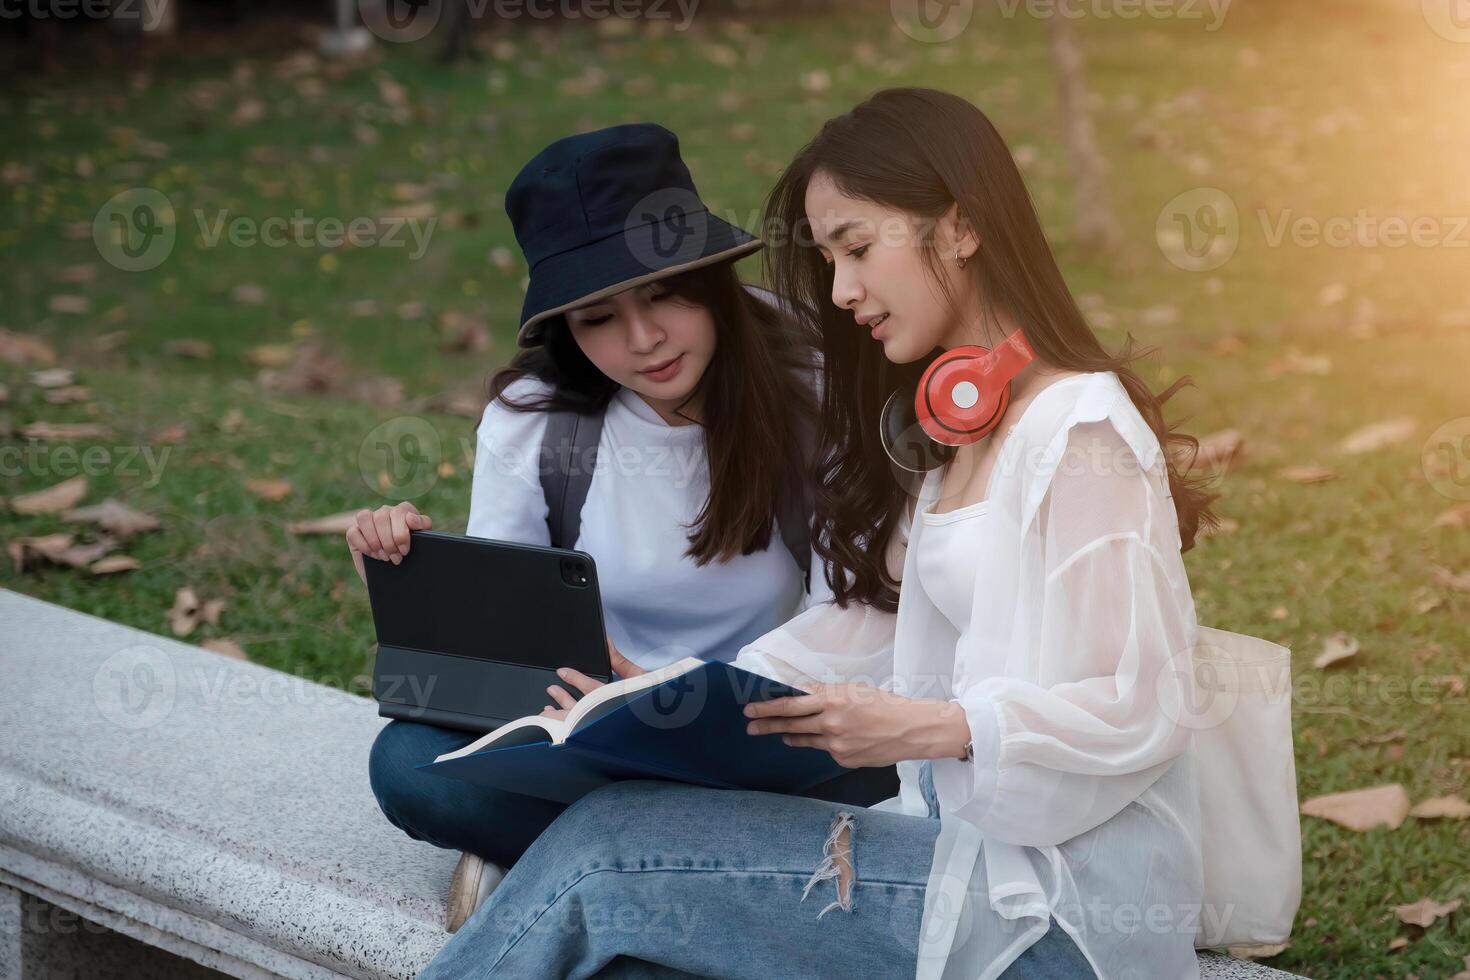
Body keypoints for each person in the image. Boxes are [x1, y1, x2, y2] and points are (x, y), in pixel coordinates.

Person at [418, 88, 1222, 980]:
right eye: (830, 258)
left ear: (959, 227)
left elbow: (1142, 704)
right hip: (958, 849)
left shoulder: (1079, 434)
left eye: (857, 248)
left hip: (1057, 909)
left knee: (606, 855)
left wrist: (936, 728)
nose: (840, 292)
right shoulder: (961, 425)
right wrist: (676, 695)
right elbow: (871, 622)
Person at [354, 123, 834, 934]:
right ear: (566, 327)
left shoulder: (808, 382)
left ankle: (575, 864)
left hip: (758, 728)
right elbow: (506, 633)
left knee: (868, 772)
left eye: (664, 294)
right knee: (407, 765)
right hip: (587, 731)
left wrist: (672, 691)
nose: (642, 340)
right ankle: (691, 870)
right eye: (599, 317)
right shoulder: (535, 418)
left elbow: (850, 608)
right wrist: (410, 574)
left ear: (710, 277)